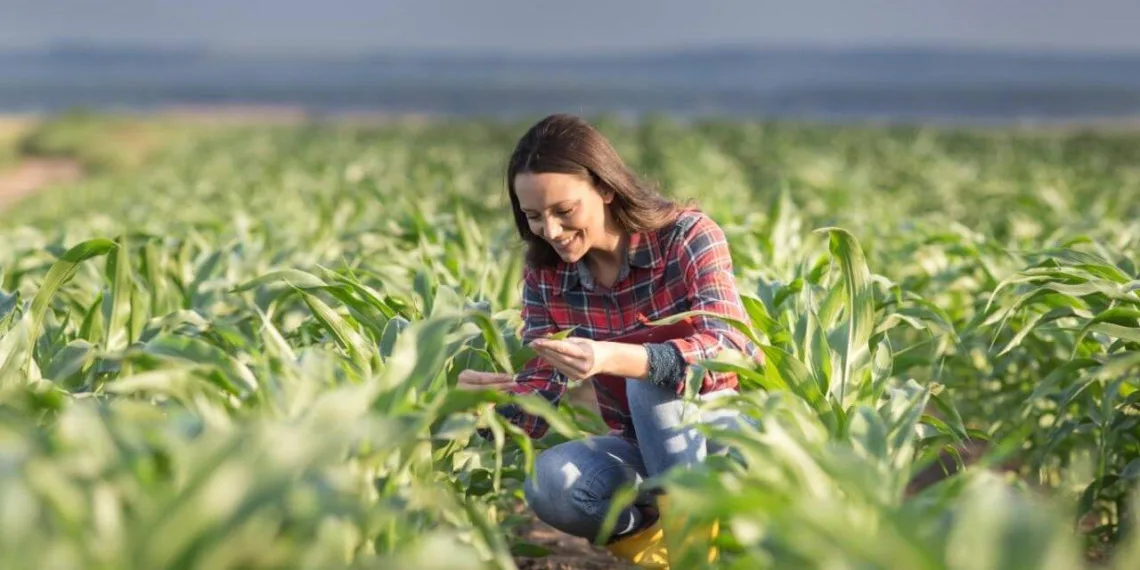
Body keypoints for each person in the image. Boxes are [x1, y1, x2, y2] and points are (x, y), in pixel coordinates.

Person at [457, 113, 761, 568]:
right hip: (641, 447)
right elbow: (539, 401)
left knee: (646, 379)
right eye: (534, 216)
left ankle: (696, 553)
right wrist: (475, 406)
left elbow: (732, 348)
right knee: (552, 484)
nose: (551, 231)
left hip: (725, 435)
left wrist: (616, 357)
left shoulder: (687, 237)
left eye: (564, 211)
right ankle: (663, 547)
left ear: (605, 188)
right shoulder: (547, 275)